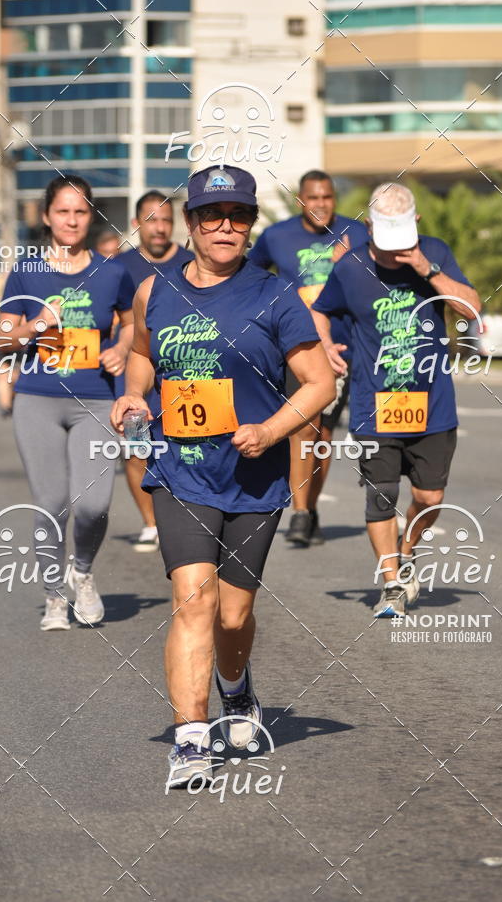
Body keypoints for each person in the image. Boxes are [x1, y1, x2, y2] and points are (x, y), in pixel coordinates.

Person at [111, 164, 336, 786]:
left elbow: (320, 383)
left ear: (250, 225)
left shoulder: (275, 295)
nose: (226, 227)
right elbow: (140, 355)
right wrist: (133, 398)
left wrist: (270, 431)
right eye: (213, 215)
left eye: (239, 216)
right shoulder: (154, 291)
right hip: (180, 471)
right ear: (191, 223)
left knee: (233, 617)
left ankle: (235, 688)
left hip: (254, 476)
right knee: (193, 600)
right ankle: (190, 739)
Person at [311, 182, 480, 617]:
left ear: (416, 224)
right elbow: (317, 310)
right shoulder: (349, 268)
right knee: (380, 496)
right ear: (368, 226)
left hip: (433, 404)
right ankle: (390, 584)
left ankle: (408, 551)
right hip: (374, 404)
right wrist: (326, 345)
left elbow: (472, 311)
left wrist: (426, 268)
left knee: (430, 498)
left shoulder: (435, 252)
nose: (391, 255)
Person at [0, 175, 134, 631]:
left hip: (95, 399)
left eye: (80, 211)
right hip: (38, 397)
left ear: (90, 216)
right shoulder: (26, 270)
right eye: (63, 211)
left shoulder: (113, 271)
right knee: (52, 503)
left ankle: (84, 571)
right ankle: (54, 596)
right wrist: (36, 325)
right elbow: (0, 340)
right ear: (47, 217)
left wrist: (121, 346)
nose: (72, 220)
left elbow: (136, 323)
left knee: (94, 505)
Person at [249, 170, 368, 546]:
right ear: (301, 200)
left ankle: (310, 507)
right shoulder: (277, 235)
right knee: (304, 425)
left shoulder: (356, 234)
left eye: (327, 197)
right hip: (293, 347)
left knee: (323, 434)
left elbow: (376, 279)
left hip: (342, 348)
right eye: (313, 198)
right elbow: (251, 276)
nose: (320, 204)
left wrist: (350, 264)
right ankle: (300, 512)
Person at [117, 191, 194, 552]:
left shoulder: (193, 261)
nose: (160, 228)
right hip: (136, 367)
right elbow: (113, 318)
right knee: (136, 446)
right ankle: (151, 522)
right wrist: (115, 350)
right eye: (152, 220)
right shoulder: (119, 267)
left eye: (166, 220)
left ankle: (189, 513)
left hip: (184, 370)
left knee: (186, 443)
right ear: (137, 224)